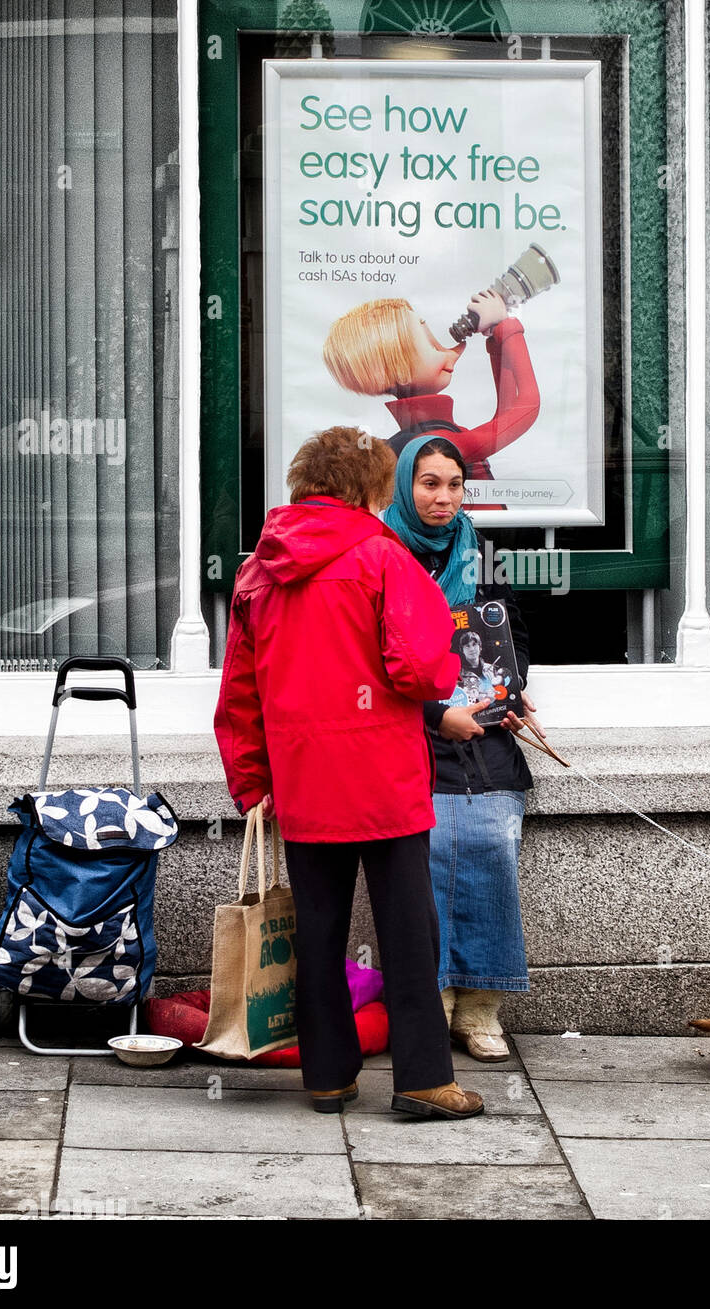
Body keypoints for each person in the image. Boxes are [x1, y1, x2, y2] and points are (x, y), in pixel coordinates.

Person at [213, 426, 484, 1119]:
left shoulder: (258, 570)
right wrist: (447, 664)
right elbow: (418, 667)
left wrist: (252, 783)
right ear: (369, 486)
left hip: (302, 784)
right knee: (408, 935)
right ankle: (423, 1079)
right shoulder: (383, 557)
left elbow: (239, 694)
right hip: (383, 778)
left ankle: (327, 1077)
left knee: (319, 933)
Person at [381, 433, 537, 1060]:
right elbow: (370, 664)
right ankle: (433, 998)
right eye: (428, 484)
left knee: (491, 850)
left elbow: (514, 635)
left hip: (486, 741)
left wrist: (510, 687)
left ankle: (480, 1006)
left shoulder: (480, 554)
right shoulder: (381, 553)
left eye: (454, 484)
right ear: (403, 486)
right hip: (410, 741)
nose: (443, 498)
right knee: (430, 857)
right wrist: (435, 714)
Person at [321, 289, 539, 507]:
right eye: (432, 345)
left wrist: (497, 339)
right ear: (402, 372)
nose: (451, 350)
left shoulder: (422, 436)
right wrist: (509, 328)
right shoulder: (433, 441)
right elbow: (527, 407)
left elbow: (505, 415)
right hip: (476, 540)